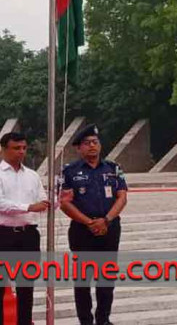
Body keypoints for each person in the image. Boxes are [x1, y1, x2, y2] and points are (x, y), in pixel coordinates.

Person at [60, 124, 128, 325]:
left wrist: (106, 220)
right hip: (82, 230)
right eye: (87, 143)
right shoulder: (69, 172)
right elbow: (64, 202)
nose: (92, 146)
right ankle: (86, 321)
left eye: (95, 142)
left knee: (106, 278)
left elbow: (122, 197)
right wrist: (90, 222)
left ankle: (103, 319)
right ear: (79, 148)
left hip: (109, 228)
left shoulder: (113, 168)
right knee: (83, 281)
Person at [0, 131, 50, 325]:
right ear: (3, 150)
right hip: (0, 235)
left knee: (26, 287)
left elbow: (42, 200)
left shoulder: (32, 175)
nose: (21, 152)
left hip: (28, 235)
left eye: (24, 148)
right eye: (16, 148)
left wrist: (56, 201)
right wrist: (29, 207)